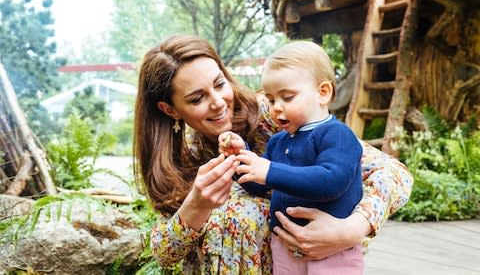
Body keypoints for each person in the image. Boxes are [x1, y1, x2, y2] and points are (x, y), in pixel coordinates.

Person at [133, 34, 413, 274]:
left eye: (219, 84)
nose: (218, 103)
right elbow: (163, 253)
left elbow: (394, 173)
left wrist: (352, 229)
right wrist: (196, 205)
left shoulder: (275, 116)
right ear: (169, 110)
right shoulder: (178, 161)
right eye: (197, 98)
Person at [218, 41, 364, 274]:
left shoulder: (337, 135)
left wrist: (270, 171)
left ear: (322, 93)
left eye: (287, 97)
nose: (276, 107)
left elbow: (332, 181)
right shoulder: (278, 141)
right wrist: (240, 157)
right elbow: (260, 184)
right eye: (272, 99)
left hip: (331, 252)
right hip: (285, 247)